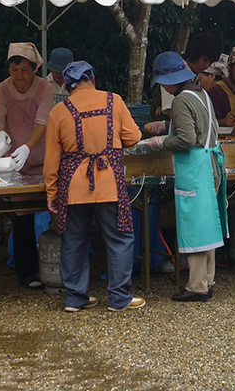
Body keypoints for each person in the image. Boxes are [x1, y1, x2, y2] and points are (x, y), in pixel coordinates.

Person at [44, 61, 145, 312]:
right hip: (110, 183)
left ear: (68, 86)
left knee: (73, 240)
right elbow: (134, 137)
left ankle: (75, 299)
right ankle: (119, 298)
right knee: (120, 238)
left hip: (73, 188)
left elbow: (51, 160)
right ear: (93, 79)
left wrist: (51, 193)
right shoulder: (114, 101)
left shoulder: (59, 111)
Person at [146, 52, 229, 302]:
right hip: (211, 162)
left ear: (170, 80)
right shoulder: (201, 93)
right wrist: (166, 126)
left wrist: (161, 142)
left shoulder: (181, 100)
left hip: (196, 168)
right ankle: (207, 280)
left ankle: (196, 286)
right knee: (208, 224)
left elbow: (187, 139)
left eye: (163, 84)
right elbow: (202, 127)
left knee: (195, 226)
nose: (163, 89)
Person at [0, 42, 54, 289]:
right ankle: (26, 272)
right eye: (14, 69)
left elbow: (42, 123)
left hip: (44, 157)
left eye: (24, 70)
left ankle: (59, 267)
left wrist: (28, 146)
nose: (19, 75)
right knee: (22, 214)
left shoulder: (45, 88)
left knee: (55, 209)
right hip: (15, 162)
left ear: (34, 68)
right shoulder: (1, 90)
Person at [150, 32, 222, 121]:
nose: (207, 65)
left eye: (211, 62)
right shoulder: (174, 72)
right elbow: (172, 113)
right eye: (204, 60)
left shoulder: (195, 76)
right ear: (194, 54)